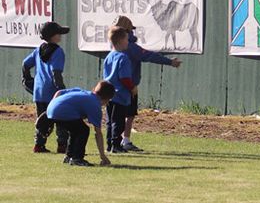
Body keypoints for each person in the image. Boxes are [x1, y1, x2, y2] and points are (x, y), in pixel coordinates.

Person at [112, 16, 182, 151]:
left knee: (116, 117)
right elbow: (149, 56)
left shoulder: (114, 46)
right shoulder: (131, 47)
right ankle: (123, 141)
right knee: (127, 115)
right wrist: (170, 62)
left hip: (115, 87)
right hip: (128, 86)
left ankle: (115, 142)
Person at [22, 21, 70, 153]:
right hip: (53, 92)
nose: (60, 35)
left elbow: (25, 64)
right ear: (53, 36)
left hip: (39, 92)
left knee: (42, 120)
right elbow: (56, 73)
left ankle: (39, 145)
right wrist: (62, 90)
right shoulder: (58, 51)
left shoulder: (38, 50)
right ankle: (62, 146)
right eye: (58, 33)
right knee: (61, 119)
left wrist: (26, 78)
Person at [46, 81, 115, 166]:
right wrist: (103, 156)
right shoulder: (95, 105)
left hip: (50, 108)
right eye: (108, 101)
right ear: (106, 98)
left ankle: (69, 156)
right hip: (61, 111)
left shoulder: (83, 92)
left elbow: (59, 92)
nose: (107, 103)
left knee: (76, 130)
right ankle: (77, 158)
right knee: (83, 130)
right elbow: (98, 133)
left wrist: (52, 110)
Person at [103, 26, 136, 153]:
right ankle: (116, 145)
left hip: (108, 93)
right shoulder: (123, 58)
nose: (128, 42)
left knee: (109, 120)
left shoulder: (109, 56)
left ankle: (109, 144)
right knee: (118, 121)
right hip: (120, 94)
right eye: (127, 39)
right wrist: (132, 88)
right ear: (120, 41)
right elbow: (125, 78)